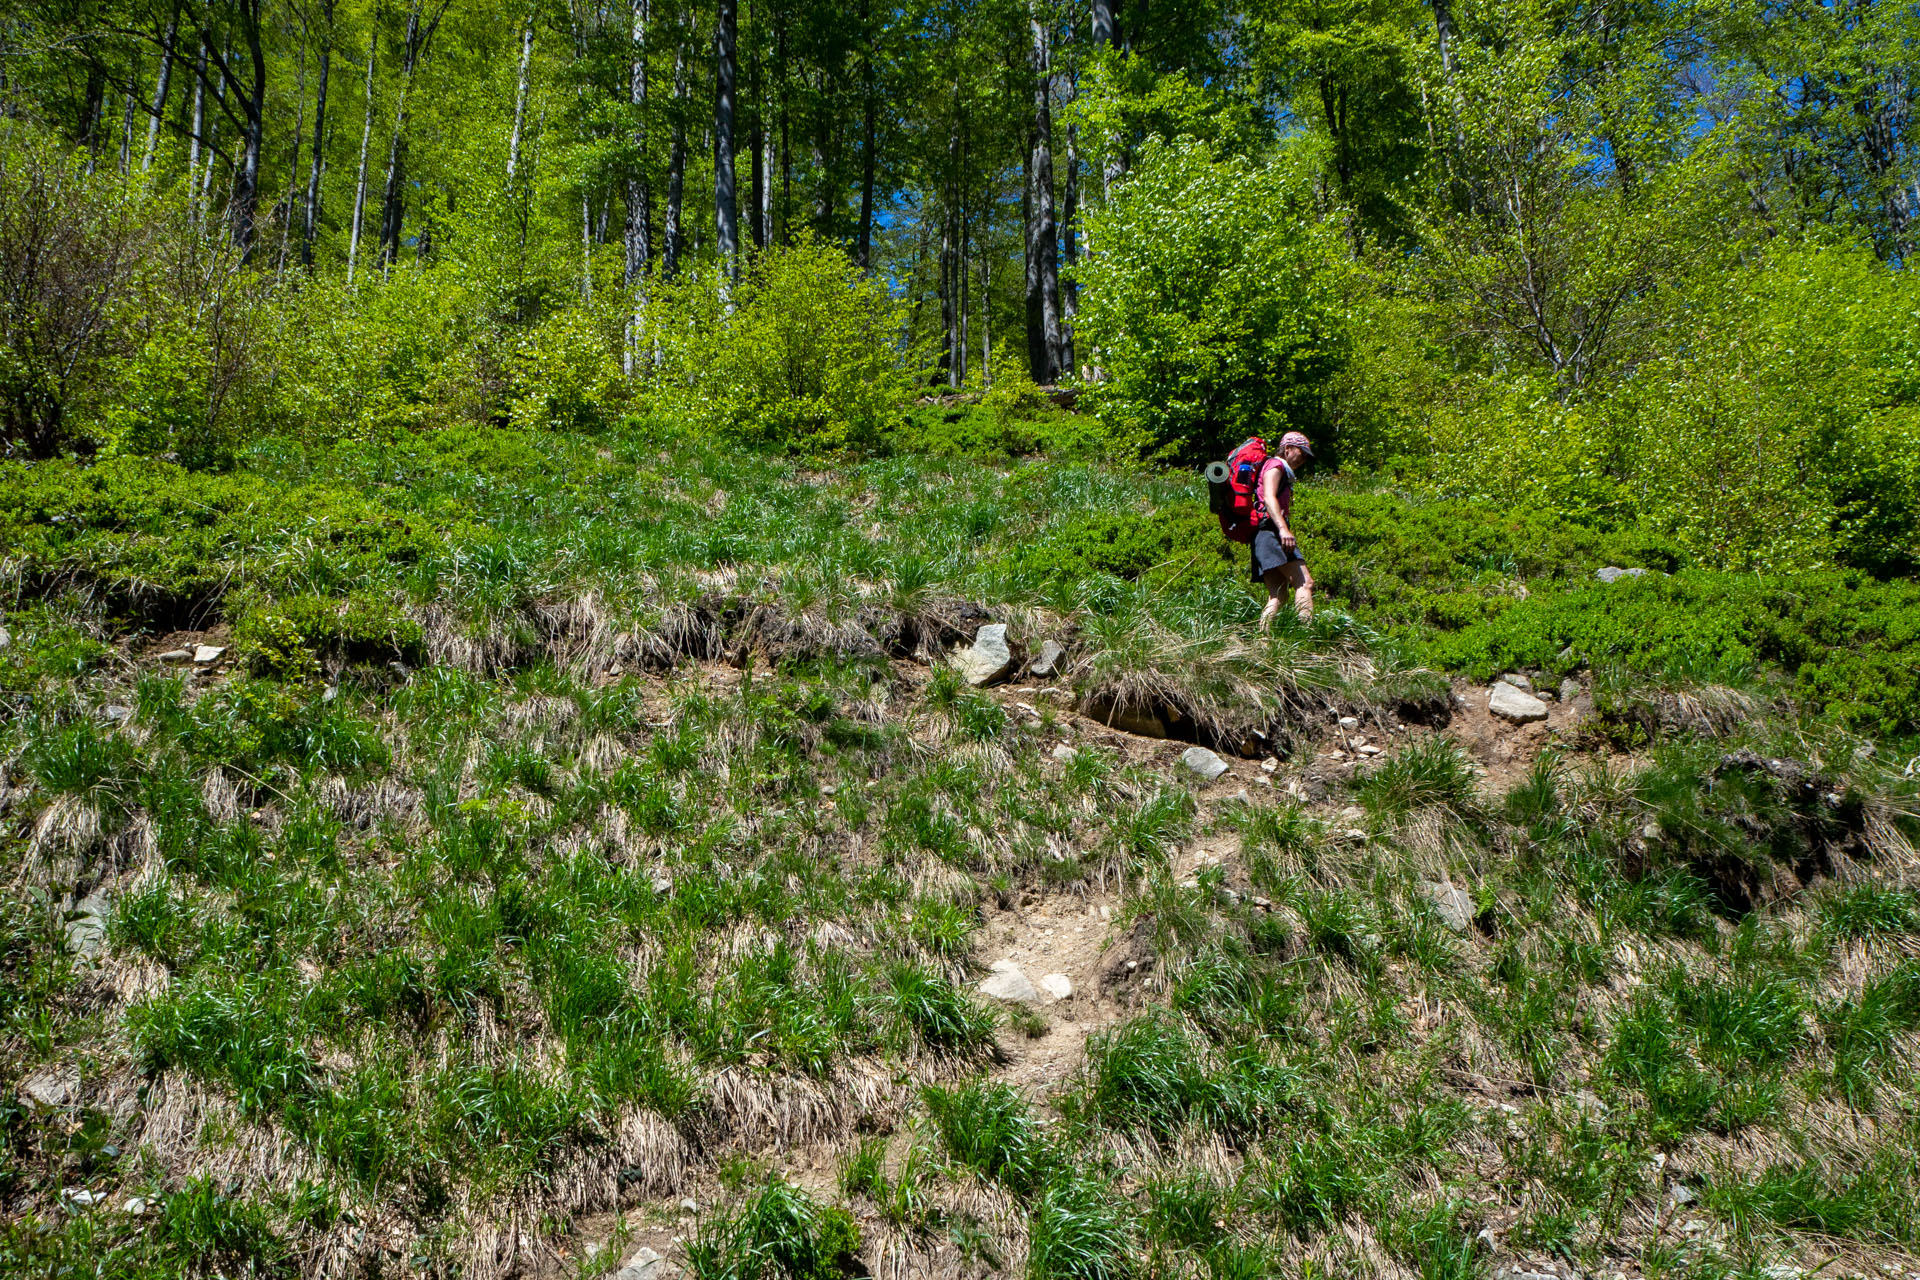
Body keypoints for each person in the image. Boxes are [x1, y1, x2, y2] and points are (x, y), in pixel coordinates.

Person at [1252, 431, 1314, 632]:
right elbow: (1269, 497)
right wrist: (1283, 529)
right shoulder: (1275, 466)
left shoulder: (1278, 468)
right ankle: (1306, 637)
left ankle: (1263, 641)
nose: (1303, 459)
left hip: (1262, 534)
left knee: (1279, 594)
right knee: (1305, 583)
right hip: (1271, 531)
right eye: (1301, 453)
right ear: (1288, 449)